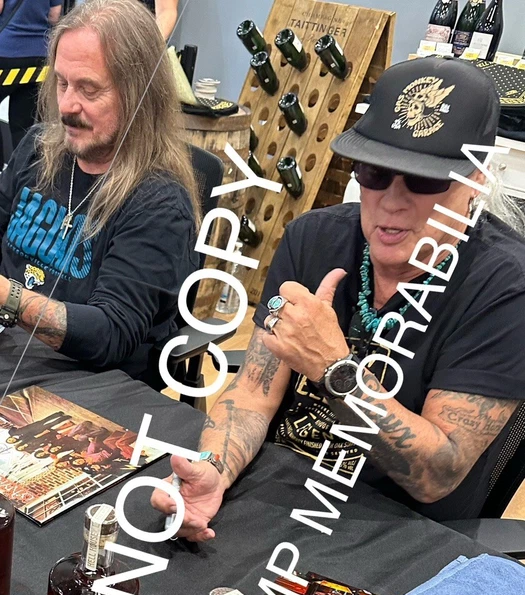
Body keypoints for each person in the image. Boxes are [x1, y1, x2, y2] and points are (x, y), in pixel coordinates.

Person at [151, 56, 525, 530]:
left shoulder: (505, 287)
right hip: (278, 490)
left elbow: (438, 474)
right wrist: (214, 469)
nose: (391, 201)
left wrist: (335, 369)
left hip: (397, 529)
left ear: (476, 180)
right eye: (374, 172)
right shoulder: (313, 239)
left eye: (426, 180)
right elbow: (252, 394)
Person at [0, 0, 199, 385]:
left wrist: (9, 297)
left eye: (88, 90)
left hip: (86, 387)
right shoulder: (40, 147)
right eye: (62, 83)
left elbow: (111, 334)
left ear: (137, 93)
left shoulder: (160, 200)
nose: (66, 106)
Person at [0, 0, 62, 162]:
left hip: (6, 51)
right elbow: (55, 16)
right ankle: (19, 170)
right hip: (39, 55)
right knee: (22, 126)